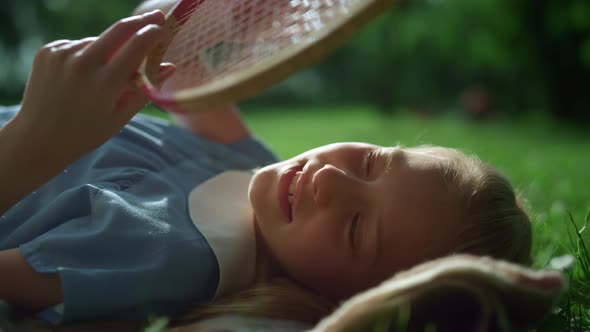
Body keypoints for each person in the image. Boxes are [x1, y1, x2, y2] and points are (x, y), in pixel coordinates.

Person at [0, 2, 532, 326]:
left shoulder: (173, 260)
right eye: (370, 163)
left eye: (356, 228)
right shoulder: (255, 164)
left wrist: (28, 140)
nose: (330, 181)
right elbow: (169, 60)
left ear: (338, 297)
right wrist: (230, 20)